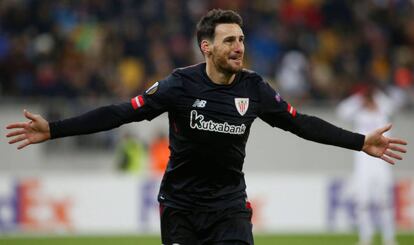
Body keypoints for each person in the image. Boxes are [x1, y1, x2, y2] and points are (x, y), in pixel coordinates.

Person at [5, 9, 407, 245]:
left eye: (242, 39)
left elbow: (300, 124)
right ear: (207, 47)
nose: (239, 47)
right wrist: (54, 129)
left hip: (229, 207)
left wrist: (359, 142)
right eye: (230, 40)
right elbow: (120, 112)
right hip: (180, 208)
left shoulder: (255, 88)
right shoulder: (179, 84)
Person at [337, 84, 400, 245]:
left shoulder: (383, 112)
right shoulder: (360, 114)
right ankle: (366, 238)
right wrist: (359, 98)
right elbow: (342, 111)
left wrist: (376, 93)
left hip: (382, 163)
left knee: (385, 202)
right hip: (363, 165)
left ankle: (389, 238)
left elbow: (394, 105)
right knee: (363, 203)